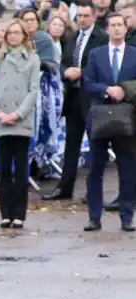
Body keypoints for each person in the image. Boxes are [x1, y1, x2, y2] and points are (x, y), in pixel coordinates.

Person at [44, 1, 107, 201]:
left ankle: (93, 189)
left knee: (96, 145)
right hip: (73, 97)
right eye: (79, 16)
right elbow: (63, 63)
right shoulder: (70, 38)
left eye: (86, 16)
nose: (82, 19)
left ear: (94, 16)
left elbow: (104, 67)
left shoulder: (102, 38)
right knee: (71, 145)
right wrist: (65, 72)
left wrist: (83, 72)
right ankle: (65, 187)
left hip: (92, 98)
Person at [83, 12, 136, 231]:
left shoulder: (134, 54)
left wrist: (123, 90)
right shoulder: (96, 54)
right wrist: (106, 90)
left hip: (126, 118)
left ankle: (126, 216)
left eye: (119, 25)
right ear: (107, 29)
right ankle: (94, 217)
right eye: (112, 25)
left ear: (126, 29)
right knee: (96, 167)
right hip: (100, 115)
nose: (116, 29)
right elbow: (87, 82)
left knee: (128, 168)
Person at [0, 19, 40, 230]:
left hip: (21, 121)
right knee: (4, 169)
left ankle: (19, 214)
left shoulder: (33, 60)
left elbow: (33, 90)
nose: (13, 36)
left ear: (24, 35)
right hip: (1, 121)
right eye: (10, 33)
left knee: (21, 169)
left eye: (17, 33)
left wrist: (18, 114)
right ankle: (5, 213)